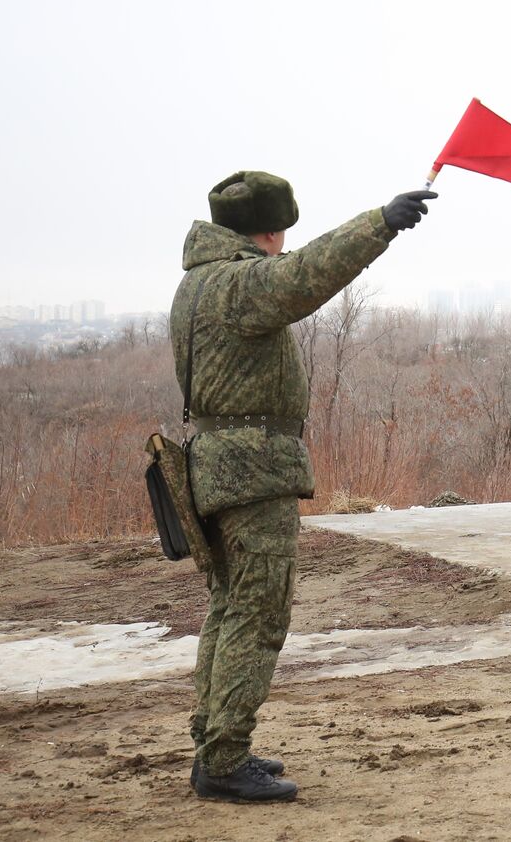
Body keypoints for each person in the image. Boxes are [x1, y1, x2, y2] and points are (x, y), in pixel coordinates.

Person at [170, 171, 436, 802]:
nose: (285, 243)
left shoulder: (196, 283)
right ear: (267, 229)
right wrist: (380, 224)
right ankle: (225, 758)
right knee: (259, 610)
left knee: (231, 604)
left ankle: (216, 741)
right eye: (281, 231)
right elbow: (305, 277)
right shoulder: (236, 283)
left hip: (220, 466)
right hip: (251, 468)